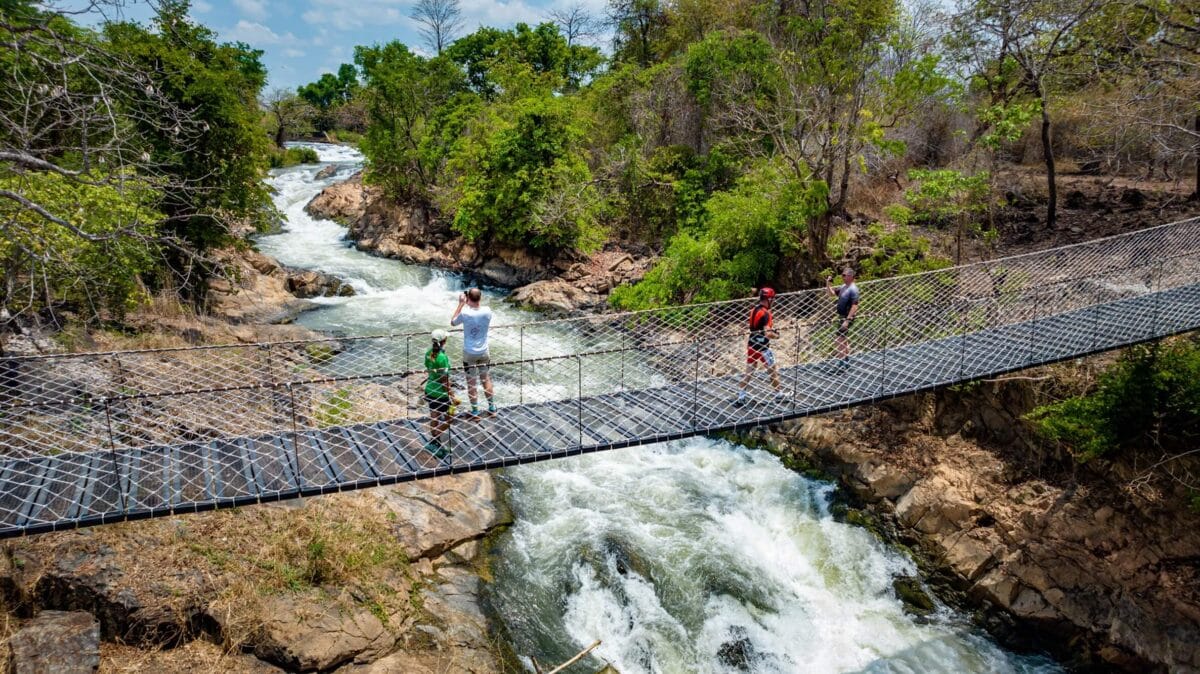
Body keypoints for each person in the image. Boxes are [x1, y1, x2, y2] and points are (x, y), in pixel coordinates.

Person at [735, 287, 786, 406]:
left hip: (752, 345)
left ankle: (741, 396)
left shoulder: (753, 310)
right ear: (769, 299)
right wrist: (777, 335)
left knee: (749, 372)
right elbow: (768, 333)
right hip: (763, 349)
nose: (773, 302)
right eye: (772, 300)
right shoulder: (766, 314)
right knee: (773, 371)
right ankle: (778, 394)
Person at [450, 287, 496, 418]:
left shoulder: (465, 313)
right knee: (486, 379)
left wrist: (461, 303)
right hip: (484, 352)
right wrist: (469, 302)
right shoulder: (487, 311)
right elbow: (477, 307)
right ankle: (492, 407)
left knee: (471, 383)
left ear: (468, 298)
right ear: (480, 298)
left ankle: (475, 411)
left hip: (469, 352)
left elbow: (453, 322)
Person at [424, 329, 459, 459]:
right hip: (441, 394)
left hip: (430, 390)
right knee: (450, 419)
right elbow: (444, 380)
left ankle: (435, 443)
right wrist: (452, 396)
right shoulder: (442, 358)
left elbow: (429, 369)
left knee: (435, 417)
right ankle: (434, 440)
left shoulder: (429, 353)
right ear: (444, 341)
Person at [825, 267, 860, 363]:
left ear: (850, 276)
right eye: (842, 275)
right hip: (841, 317)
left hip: (847, 318)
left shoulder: (853, 289)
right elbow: (831, 294)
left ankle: (842, 361)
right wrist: (828, 284)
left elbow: (855, 306)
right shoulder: (843, 287)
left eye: (844, 275)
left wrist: (847, 321)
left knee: (838, 340)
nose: (842, 277)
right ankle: (847, 359)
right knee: (843, 339)